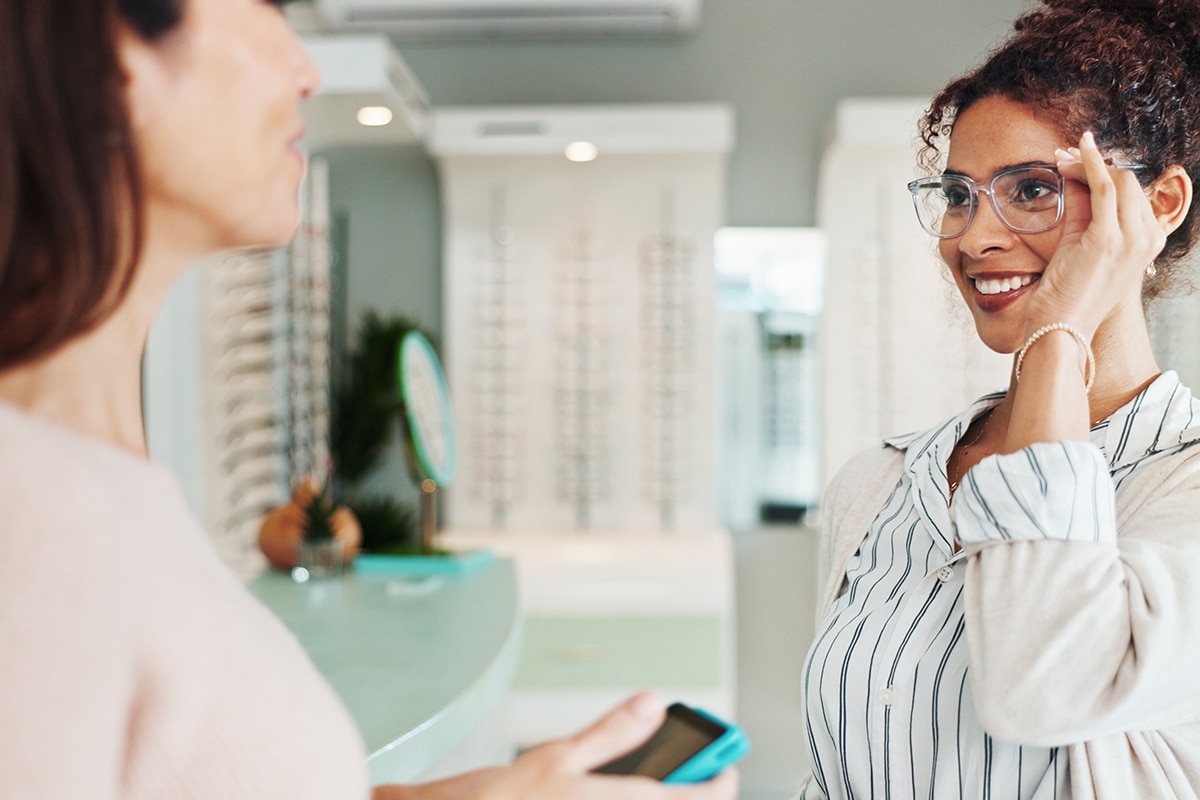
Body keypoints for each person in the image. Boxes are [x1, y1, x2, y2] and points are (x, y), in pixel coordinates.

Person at [0, 1, 739, 798]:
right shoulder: (29, 520)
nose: (309, 69)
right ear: (116, 56)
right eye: (267, 6)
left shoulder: (91, 482)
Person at [799, 0, 1200, 797]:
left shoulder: (1182, 489)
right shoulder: (876, 486)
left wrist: (1058, 336)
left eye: (1032, 189)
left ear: (1155, 207)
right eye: (958, 194)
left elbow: (1049, 689)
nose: (973, 237)